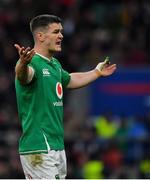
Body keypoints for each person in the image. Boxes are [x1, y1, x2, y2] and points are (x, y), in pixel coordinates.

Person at [14, 14, 116, 179]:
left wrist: (97, 72)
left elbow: (70, 79)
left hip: (56, 145)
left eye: (60, 31)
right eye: (55, 32)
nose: (61, 35)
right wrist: (22, 63)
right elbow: (23, 76)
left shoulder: (54, 64)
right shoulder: (32, 62)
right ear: (40, 36)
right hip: (40, 146)